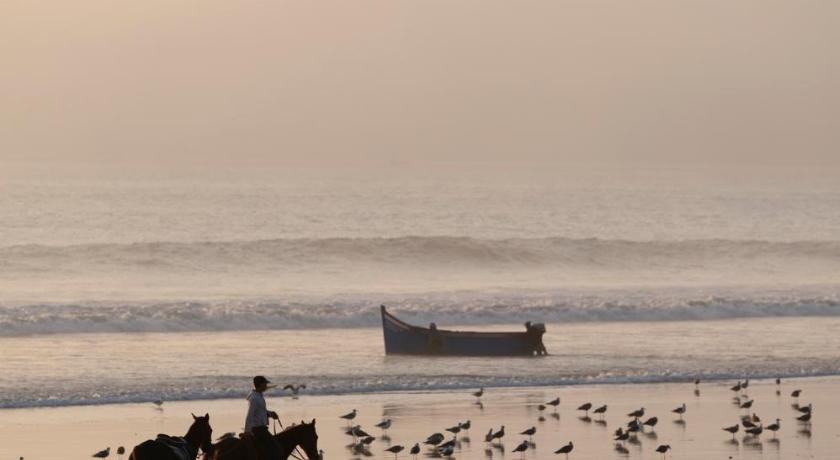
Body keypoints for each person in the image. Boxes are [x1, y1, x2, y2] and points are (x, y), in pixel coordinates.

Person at [245, 375, 280, 459]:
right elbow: (250, 415)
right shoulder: (254, 398)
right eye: (265, 384)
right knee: (275, 448)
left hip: (261, 428)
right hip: (258, 429)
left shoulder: (258, 395)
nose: (266, 386)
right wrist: (247, 431)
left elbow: (261, 411)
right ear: (260, 384)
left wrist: (271, 414)